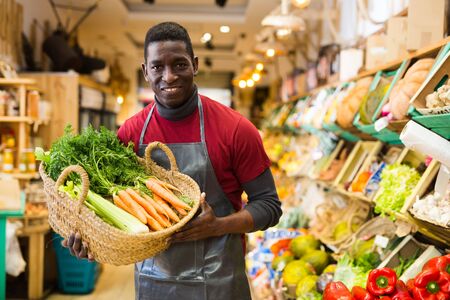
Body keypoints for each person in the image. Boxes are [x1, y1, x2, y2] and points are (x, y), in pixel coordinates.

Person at [63, 21, 282, 300]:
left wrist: (219, 225)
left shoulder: (236, 129)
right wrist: (91, 241)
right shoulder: (130, 134)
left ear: (195, 64)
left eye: (179, 64)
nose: (168, 76)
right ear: (145, 71)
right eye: (157, 67)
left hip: (221, 285)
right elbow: (110, 210)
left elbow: (269, 206)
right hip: (153, 284)